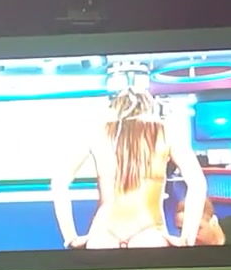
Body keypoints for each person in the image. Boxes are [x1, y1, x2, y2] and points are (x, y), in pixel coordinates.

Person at [52, 85, 208, 249]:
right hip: (150, 233)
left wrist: (70, 237)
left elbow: (59, 182)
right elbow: (197, 184)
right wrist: (187, 238)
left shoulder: (96, 132)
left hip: (103, 233)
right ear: (150, 106)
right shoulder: (166, 131)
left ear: (116, 107)